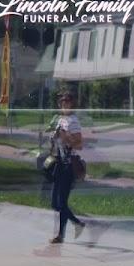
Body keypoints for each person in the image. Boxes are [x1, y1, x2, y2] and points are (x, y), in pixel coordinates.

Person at [47, 88, 85, 244]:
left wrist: (66, 137)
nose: (65, 105)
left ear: (72, 104)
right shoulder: (61, 119)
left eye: (68, 102)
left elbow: (80, 144)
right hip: (60, 163)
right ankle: (74, 225)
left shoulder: (74, 121)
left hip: (69, 165)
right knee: (55, 203)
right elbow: (59, 140)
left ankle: (64, 232)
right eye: (63, 102)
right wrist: (54, 138)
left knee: (61, 202)